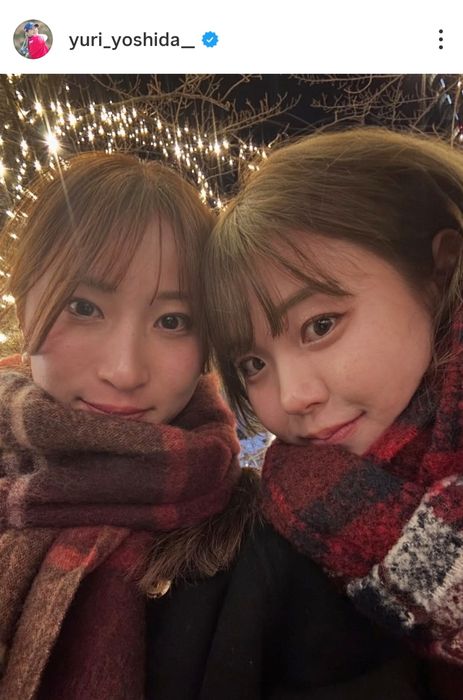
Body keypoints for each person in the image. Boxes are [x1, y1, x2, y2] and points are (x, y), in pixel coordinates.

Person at [0, 151, 419, 700]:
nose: (124, 371)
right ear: (24, 303)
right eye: (83, 307)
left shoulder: (280, 551)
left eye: (172, 321)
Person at [203, 127, 463, 700]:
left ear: (437, 271)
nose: (292, 398)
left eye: (320, 325)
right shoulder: (297, 517)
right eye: (253, 363)